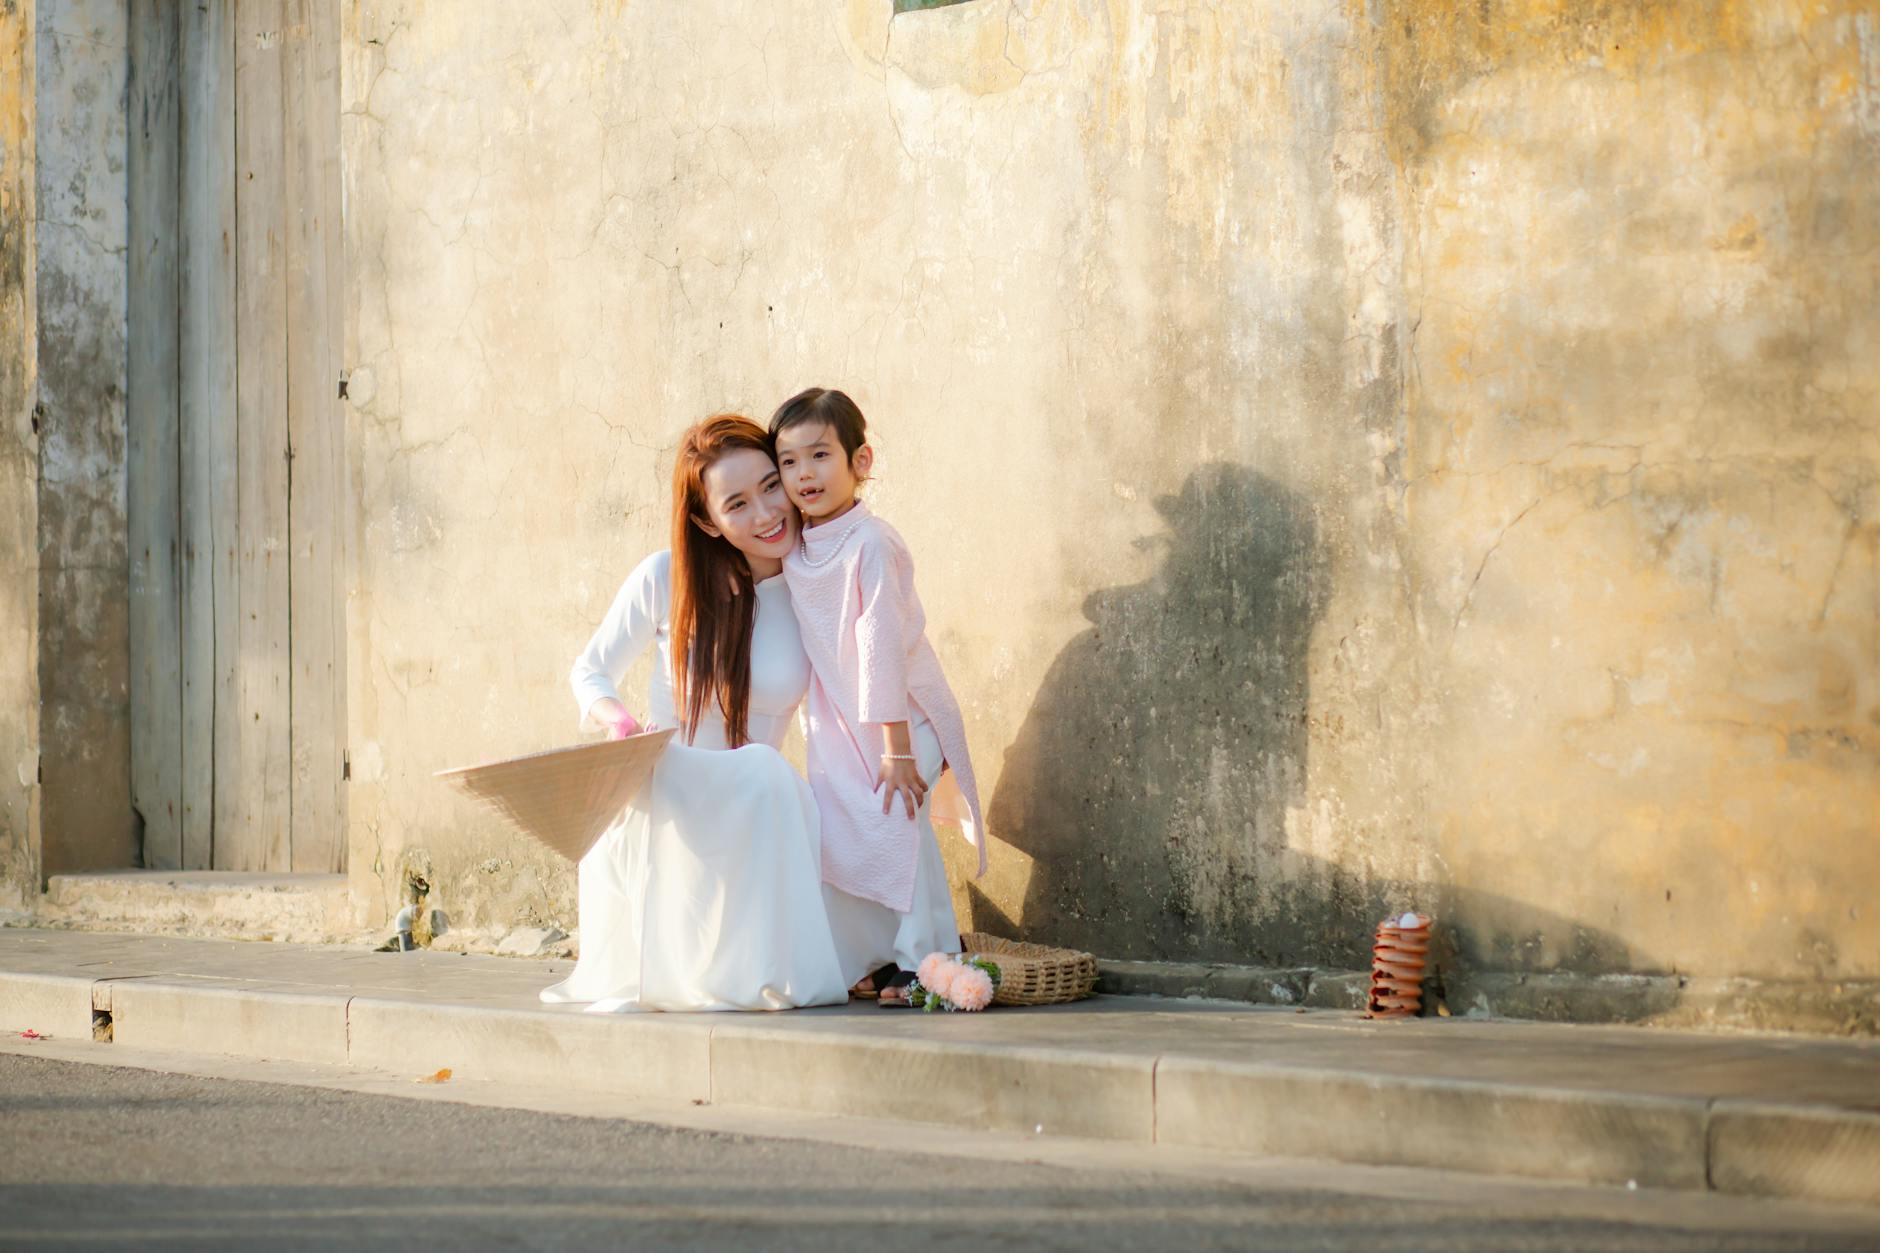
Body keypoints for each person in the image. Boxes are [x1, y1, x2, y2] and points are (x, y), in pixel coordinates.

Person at [540, 415, 849, 1012]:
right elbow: (590, 671)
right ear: (708, 521)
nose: (766, 513)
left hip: (753, 811)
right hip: (671, 793)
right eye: (737, 504)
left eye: (771, 486)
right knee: (767, 773)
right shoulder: (667, 578)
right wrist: (619, 723)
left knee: (776, 778)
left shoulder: (814, 585)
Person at [769, 387, 987, 1007]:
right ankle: (870, 957)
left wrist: (897, 751)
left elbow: (880, 648)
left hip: (902, 721)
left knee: (896, 823)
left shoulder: (870, 544)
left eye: (820, 455)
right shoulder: (798, 546)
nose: (804, 474)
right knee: (839, 831)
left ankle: (928, 957)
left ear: (859, 461)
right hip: (840, 724)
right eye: (789, 462)